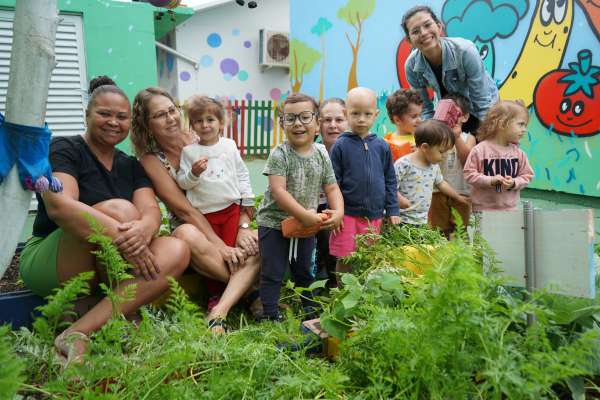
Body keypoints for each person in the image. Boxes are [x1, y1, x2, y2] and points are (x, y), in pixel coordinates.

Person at [19, 76, 190, 364]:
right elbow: (61, 207)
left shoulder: (131, 165)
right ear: (87, 114)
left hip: (116, 262)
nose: (113, 122)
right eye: (104, 114)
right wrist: (135, 244)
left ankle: (76, 332)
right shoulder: (64, 148)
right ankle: (124, 314)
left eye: (121, 117)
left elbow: (150, 211)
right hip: (55, 259)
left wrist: (145, 230)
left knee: (177, 249)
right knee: (120, 210)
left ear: (130, 123)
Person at [130, 87, 260, 333]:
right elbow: (185, 210)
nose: (170, 118)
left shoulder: (200, 136)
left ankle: (222, 305)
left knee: (258, 240)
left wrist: (244, 226)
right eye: (159, 115)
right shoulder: (151, 160)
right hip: (193, 228)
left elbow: (237, 177)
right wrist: (220, 246)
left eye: (172, 110)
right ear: (146, 124)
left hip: (228, 217)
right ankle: (250, 291)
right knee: (187, 235)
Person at [255, 93, 344, 321]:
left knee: (305, 270)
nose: (298, 123)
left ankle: (309, 310)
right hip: (274, 223)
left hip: (306, 224)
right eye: (290, 118)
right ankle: (270, 314)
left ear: (317, 123)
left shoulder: (322, 153)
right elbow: (279, 191)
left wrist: (338, 211)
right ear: (282, 123)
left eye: (305, 117)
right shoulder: (280, 154)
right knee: (273, 271)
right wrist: (304, 215)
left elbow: (332, 188)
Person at [329, 87, 400, 277]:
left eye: (367, 114)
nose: (361, 119)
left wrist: (392, 209)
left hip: (374, 216)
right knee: (345, 258)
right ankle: (342, 296)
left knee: (369, 257)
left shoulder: (382, 146)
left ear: (376, 115)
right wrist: (336, 211)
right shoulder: (340, 146)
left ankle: (363, 297)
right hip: (346, 216)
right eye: (355, 113)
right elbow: (332, 183)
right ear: (345, 114)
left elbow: (390, 180)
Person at [402, 5, 498, 134]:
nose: (423, 33)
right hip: (449, 116)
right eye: (415, 31)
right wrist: (433, 136)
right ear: (410, 40)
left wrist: (487, 134)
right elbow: (425, 109)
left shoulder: (465, 52)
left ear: (439, 26)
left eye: (427, 25)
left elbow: (483, 101)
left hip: (480, 109)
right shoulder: (412, 66)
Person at [395, 119, 469, 227]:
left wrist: (457, 197)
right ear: (425, 147)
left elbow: (441, 183)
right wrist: (399, 199)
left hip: (421, 221)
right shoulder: (404, 164)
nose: (444, 156)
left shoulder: (434, 166)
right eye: (441, 152)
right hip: (401, 220)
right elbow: (390, 186)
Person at [463, 100, 534, 212]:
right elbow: (469, 174)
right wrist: (490, 180)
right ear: (502, 123)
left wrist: (514, 183)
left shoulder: (519, 153)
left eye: (525, 125)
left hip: (510, 210)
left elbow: (527, 176)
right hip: (482, 210)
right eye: (521, 124)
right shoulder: (480, 150)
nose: (524, 130)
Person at [429, 94, 476, 236]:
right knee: (438, 231)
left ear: (465, 117)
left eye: (457, 114)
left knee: (460, 232)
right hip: (438, 192)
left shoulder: (469, 138)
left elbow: (468, 161)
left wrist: (455, 137)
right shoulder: (435, 137)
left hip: (462, 193)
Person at [315, 98, 348, 286]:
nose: (333, 125)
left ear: (348, 122)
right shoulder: (312, 151)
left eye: (339, 120)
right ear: (319, 123)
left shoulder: (355, 151)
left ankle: (334, 282)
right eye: (327, 120)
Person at [384, 88, 423, 161]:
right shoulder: (387, 143)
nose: (420, 120)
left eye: (420, 115)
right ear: (397, 120)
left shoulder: (424, 137)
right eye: (414, 116)